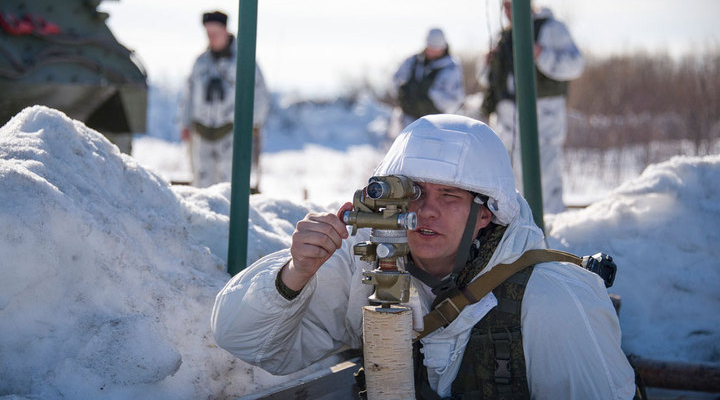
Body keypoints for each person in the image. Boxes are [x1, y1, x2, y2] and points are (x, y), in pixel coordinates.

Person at [211, 114, 637, 399]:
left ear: (486, 213)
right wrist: (294, 273)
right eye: (413, 192)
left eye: (450, 195)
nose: (426, 210)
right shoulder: (365, 266)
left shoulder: (553, 300)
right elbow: (245, 341)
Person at [480, 0, 584, 214]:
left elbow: (575, 65)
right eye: (505, 7)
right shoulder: (504, 37)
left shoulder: (551, 29)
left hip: (542, 127)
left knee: (545, 185)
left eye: (512, 5)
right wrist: (490, 63)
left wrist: (541, 54)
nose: (509, 11)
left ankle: (551, 235)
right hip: (508, 131)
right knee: (511, 188)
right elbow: (489, 81)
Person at [180, 10, 271, 191]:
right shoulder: (201, 62)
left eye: (215, 33)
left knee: (229, 186)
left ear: (225, 31)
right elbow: (188, 94)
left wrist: (251, 124)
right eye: (208, 33)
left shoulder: (244, 62)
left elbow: (260, 95)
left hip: (232, 132)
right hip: (202, 132)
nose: (211, 38)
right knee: (201, 185)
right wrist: (185, 123)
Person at [390, 28, 465, 138]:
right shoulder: (412, 62)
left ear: (443, 47)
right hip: (408, 120)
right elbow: (394, 81)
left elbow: (455, 101)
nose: (432, 51)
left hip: (436, 125)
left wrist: (432, 93)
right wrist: (405, 91)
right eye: (430, 47)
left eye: (436, 48)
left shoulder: (451, 68)